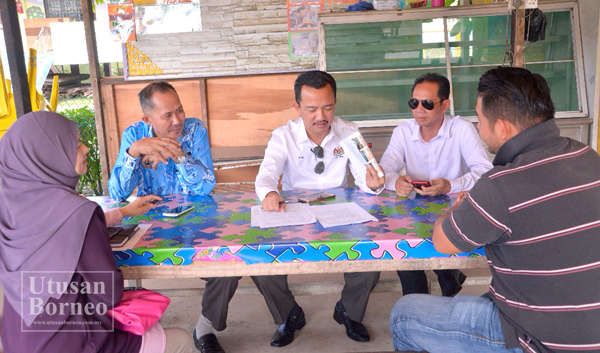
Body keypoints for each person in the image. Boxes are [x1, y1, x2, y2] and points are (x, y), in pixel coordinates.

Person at [390, 67, 600, 352]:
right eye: (414, 103)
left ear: (502, 127)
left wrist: (457, 206)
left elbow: (442, 241)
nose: (477, 126)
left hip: (535, 338)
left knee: (404, 314)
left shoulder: (500, 183)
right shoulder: (587, 156)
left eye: (480, 119)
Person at [0, 111, 193, 353]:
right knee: (181, 339)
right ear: (48, 155)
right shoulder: (78, 212)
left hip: (17, 341)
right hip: (74, 343)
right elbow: (108, 293)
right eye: (76, 143)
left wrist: (122, 213)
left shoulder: (10, 211)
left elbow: (58, 230)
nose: (85, 149)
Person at [255, 70, 386, 347]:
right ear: (297, 107)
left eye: (328, 107)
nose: (321, 117)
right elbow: (267, 173)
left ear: (335, 102)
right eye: (311, 109)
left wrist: (373, 184)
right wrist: (269, 192)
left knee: (373, 248)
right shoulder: (283, 136)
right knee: (259, 257)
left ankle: (349, 311)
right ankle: (289, 315)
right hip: (294, 209)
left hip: (340, 210)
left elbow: (366, 175)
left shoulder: (349, 132)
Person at [379, 73, 492, 297]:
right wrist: (397, 183)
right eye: (414, 103)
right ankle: (417, 301)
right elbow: (384, 171)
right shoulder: (403, 132)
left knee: (443, 244)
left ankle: (447, 277)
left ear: (445, 105)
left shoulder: (461, 129)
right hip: (413, 208)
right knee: (406, 255)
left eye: (427, 104)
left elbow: (485, 171)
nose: (419, 110)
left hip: (453, 206)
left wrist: (451, 185)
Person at [108, 81, 215, 201]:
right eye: (167, 115)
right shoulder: (134, 135)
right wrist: (134, 151)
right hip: (149, 215)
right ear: (148, 120)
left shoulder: (195, 129)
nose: (177, 121)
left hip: (194, 214)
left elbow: (206, 187)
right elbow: (117, 194)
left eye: (179, 111)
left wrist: (178, 155)